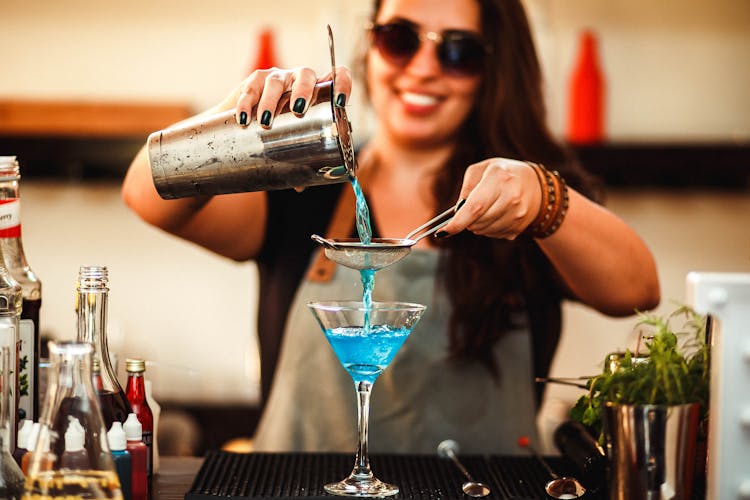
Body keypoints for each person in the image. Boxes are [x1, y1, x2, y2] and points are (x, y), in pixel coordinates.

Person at [122, 0, 660, 453]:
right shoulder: (302, 185)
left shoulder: (522, 199)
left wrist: (545, 197)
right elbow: (147, 196)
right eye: (400, 39)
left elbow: (637, 290)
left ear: (493, 71)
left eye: (457, 51)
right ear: (370, 49)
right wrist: (238, 120)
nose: (424, 69)